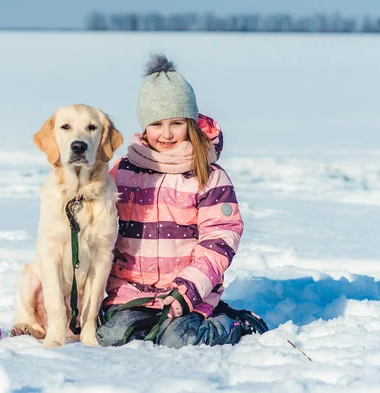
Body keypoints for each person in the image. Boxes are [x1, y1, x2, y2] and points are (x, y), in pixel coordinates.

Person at [96, 54, 268, 349]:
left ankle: (235, 323)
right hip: (130, 291)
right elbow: (100, 224)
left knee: (181, 340)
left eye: (176, 123)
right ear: (144, 125)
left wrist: (188, 288)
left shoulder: (207, 175)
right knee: (111, 337)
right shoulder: (124, 170)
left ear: (190, 121)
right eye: (157, 123)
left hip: (187, 292)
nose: (166, 133)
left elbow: (219, 239)